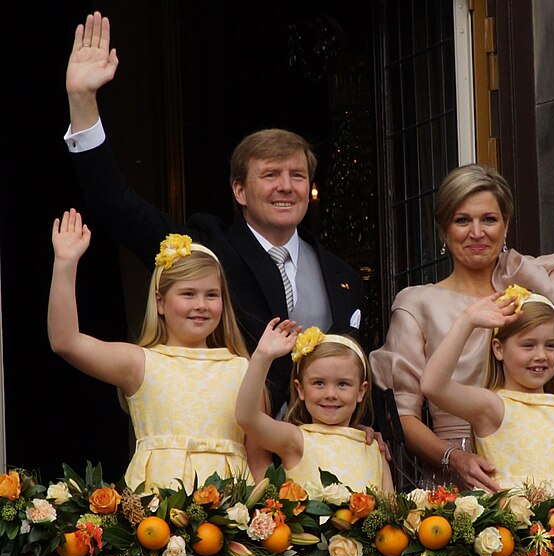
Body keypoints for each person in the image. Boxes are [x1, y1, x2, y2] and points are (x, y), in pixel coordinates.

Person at [370, 74, 554, 492]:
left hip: (542, 471)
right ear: (443, 231)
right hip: (462, 484)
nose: (477, 232)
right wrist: (454, 457)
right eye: (462, 220)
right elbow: (402, 416)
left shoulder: (536, 286)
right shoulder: (417, 303)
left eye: (489, 219)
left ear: (505, 224)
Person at [64, 11, 362, 419]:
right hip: (232, 444)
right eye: (270, 175)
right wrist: (83, 103)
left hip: (317, 454)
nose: (286, 186)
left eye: (297, 175)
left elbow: (357, 368)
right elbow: (117, 206)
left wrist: (368, 428)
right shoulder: (208, 248)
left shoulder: (340, 274)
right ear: (239, 190)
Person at [48, 209, 271, 490]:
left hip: (230, 519)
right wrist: (65, 263)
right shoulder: (141, 362)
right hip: (154, 516)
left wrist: (265, 522)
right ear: (161, 302)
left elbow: (258, 460)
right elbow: (65, 341)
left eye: (211, 295)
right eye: (188, 294)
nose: (200, 304)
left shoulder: (243, 369)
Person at [420, 286, 554, 489]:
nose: (541, 355)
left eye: (550, 345)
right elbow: (432, 385)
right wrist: (467, 321)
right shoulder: (493, 407)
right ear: (499, 349)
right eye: (528, 345)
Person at [235, 321, 393, 494]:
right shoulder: (295, 439)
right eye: (319, 383)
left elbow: (390, 512)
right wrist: (262, 357)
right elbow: (247, 417)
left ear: (361, 391)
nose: (330, 394)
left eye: (343, 384)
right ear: (300, 389)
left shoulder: (374, 449)